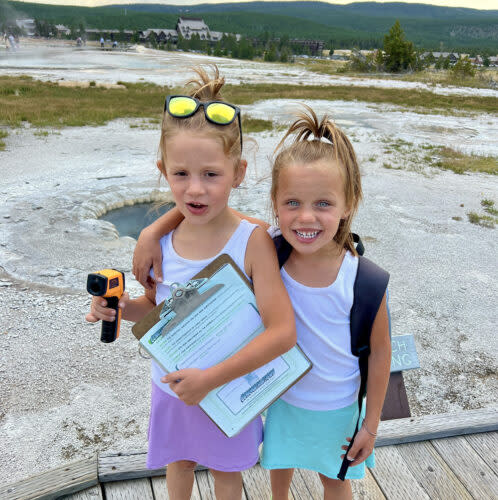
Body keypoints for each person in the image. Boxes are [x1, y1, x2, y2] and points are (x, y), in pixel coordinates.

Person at [133, 106, 392, 500]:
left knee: (333, 479)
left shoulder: (356, 277)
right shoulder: (273, 247)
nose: (306, 217)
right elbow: (211, 210)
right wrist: (154, 230)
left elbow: (380, 353)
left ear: (348, 204)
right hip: (278, 398)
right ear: (275, 203)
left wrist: (371, 425)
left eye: (323, 204)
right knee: (273, 469)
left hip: (330, 404)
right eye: (292, 204)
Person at [86, 66, 296, 500]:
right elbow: (157, 308)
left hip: (230, 388)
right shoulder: (161, 239)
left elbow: (282, 332)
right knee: (177, 464)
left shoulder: (252, 240)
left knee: (225, 473)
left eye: (211, 175)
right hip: (173, 384)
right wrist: (121, 308)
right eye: (181, 174)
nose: (195, 190)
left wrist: (212, 378)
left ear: (238, 173)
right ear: (163, 170)